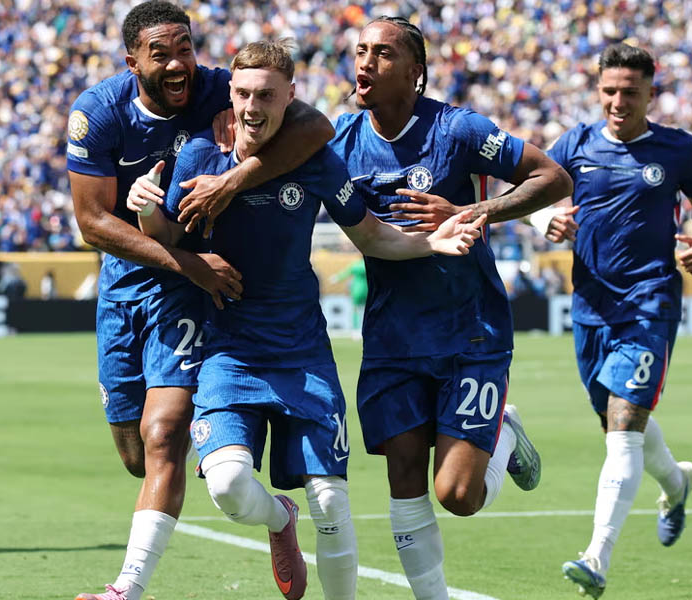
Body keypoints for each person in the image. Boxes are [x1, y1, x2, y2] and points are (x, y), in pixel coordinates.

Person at [170, 18, 572, 600]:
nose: (364, 62)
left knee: (458, 495)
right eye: (359, 50)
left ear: (415, 71)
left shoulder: (458, 129)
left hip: (470, 331)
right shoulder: (339, 141)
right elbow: (298, 147)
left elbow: (551, 177)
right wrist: (225, 182)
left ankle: (501, 434)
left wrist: (476, 212)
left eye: (382, 54)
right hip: (392, 337)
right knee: (403, 481)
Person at [132, 39, 485, 600]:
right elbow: (169, 237)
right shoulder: (199, 156)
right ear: (230, 93)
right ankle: (277, 519)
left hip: (303, 353)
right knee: (225, 485)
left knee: (331, 500)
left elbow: (370, 234)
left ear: (289, 96)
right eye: (244, 93)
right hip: (229, 351)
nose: (253, 106)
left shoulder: (317, 160)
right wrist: (147, 206)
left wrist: (429, 242)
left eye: (267, 95)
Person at [66, 3, 335, 600]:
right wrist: (186, 258)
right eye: (159, 53)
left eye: (184, 47)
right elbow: (91, 223)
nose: (177, 63)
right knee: (138, 454)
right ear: (131, 60)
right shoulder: (98, 112)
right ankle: (276, 514)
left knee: (164, 434)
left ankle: (127, 588)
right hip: (128, 283)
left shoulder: (221, 88)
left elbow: (316, 128)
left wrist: (234, 180)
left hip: (189, 291)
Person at [536, 43, 692, 599]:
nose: (619, 101)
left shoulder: (678, 150)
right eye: (610, 91)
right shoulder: (575, 144)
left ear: (650, 93)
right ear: (599, 90)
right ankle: (678, 482)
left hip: (650, 302)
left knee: (622, 430)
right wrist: (548, 218)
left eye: (631, 92)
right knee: (619, 424)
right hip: (590, 305)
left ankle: (596, 558)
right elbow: (536, 194)